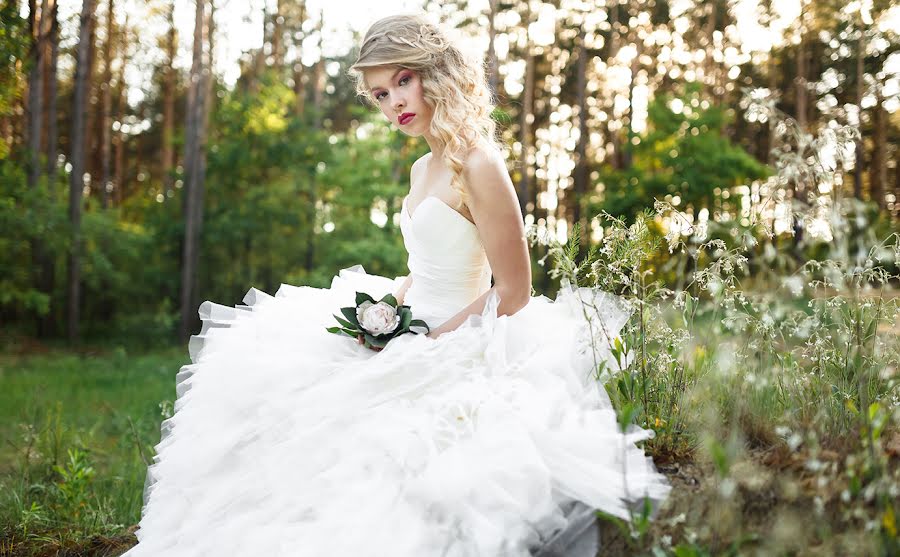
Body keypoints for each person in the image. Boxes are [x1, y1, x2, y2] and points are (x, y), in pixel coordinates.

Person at [123, 13, 671, 557]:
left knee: (385, 448)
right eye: (380, 95)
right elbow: (425, 264)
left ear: (435, 74)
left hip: (468, 334)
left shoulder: (480, 164)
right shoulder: (420, 170)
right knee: (269, 387)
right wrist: (389, 312)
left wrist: (431, 344)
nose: (394, 105)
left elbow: (515, 290)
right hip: (410, 327)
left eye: (401, 83)